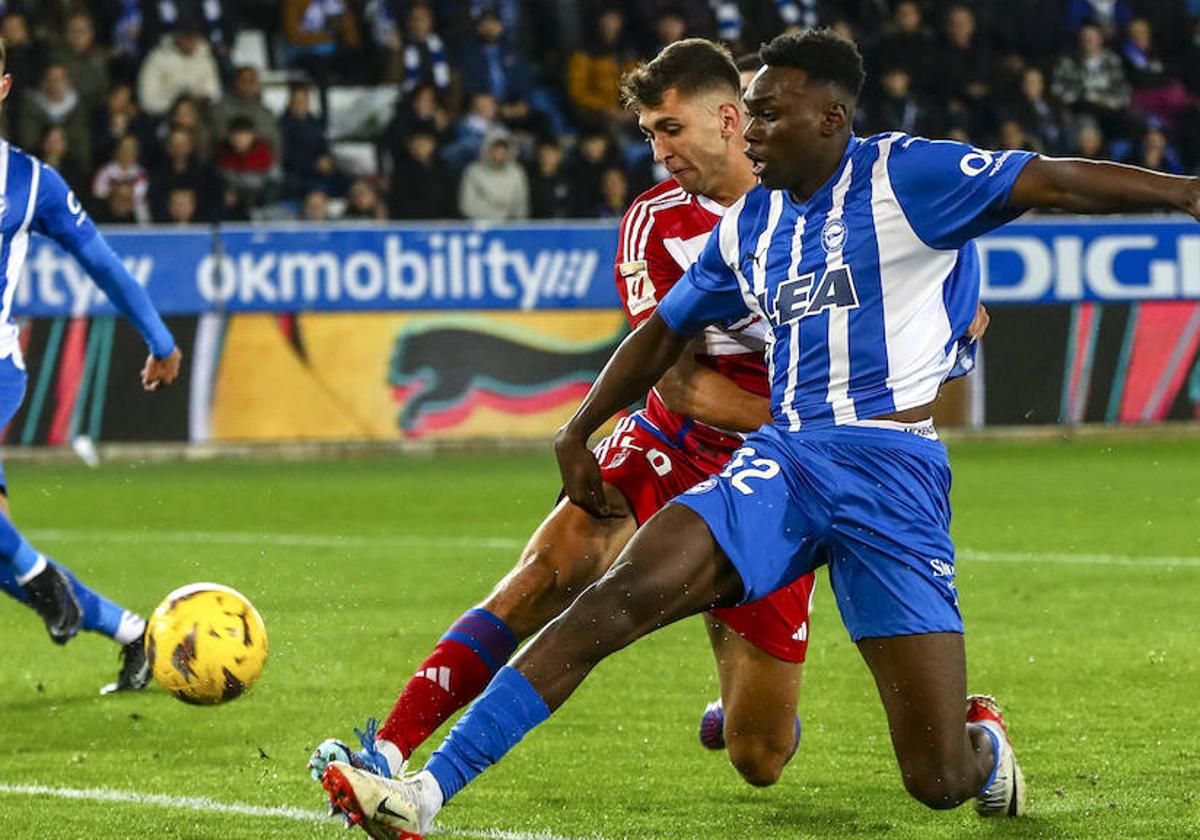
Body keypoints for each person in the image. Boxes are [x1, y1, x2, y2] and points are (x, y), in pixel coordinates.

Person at [317, 28, 1200, 836]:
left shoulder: (908, 177)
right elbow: (662, 332)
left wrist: (1185, 193)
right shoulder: (753, 225)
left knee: (928, 779)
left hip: (895, 479)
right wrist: (580, 426)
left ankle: (983, 744)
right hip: (783, 462)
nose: (755, 132)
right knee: (608, 602)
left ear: (831, 118)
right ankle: (424, 791)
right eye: (751, 113)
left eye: (771, 115)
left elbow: (1048, 179)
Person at [309, 38, 821, 807]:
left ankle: (741, 703)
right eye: (649, 133)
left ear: (726, 118)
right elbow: (681, 388)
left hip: (781, 475)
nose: (658, 150)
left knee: (760, 756)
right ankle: (386, 748)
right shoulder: (654, 223)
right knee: (544, 577)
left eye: (670, 129)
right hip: (675, 441)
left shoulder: (818, 202)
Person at [0, 37, 183, 693]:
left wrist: (159, 339)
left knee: (11, 556)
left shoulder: (29, 184)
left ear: (3, 89)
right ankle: (133, 632)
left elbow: (101, 261)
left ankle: (37, 576)